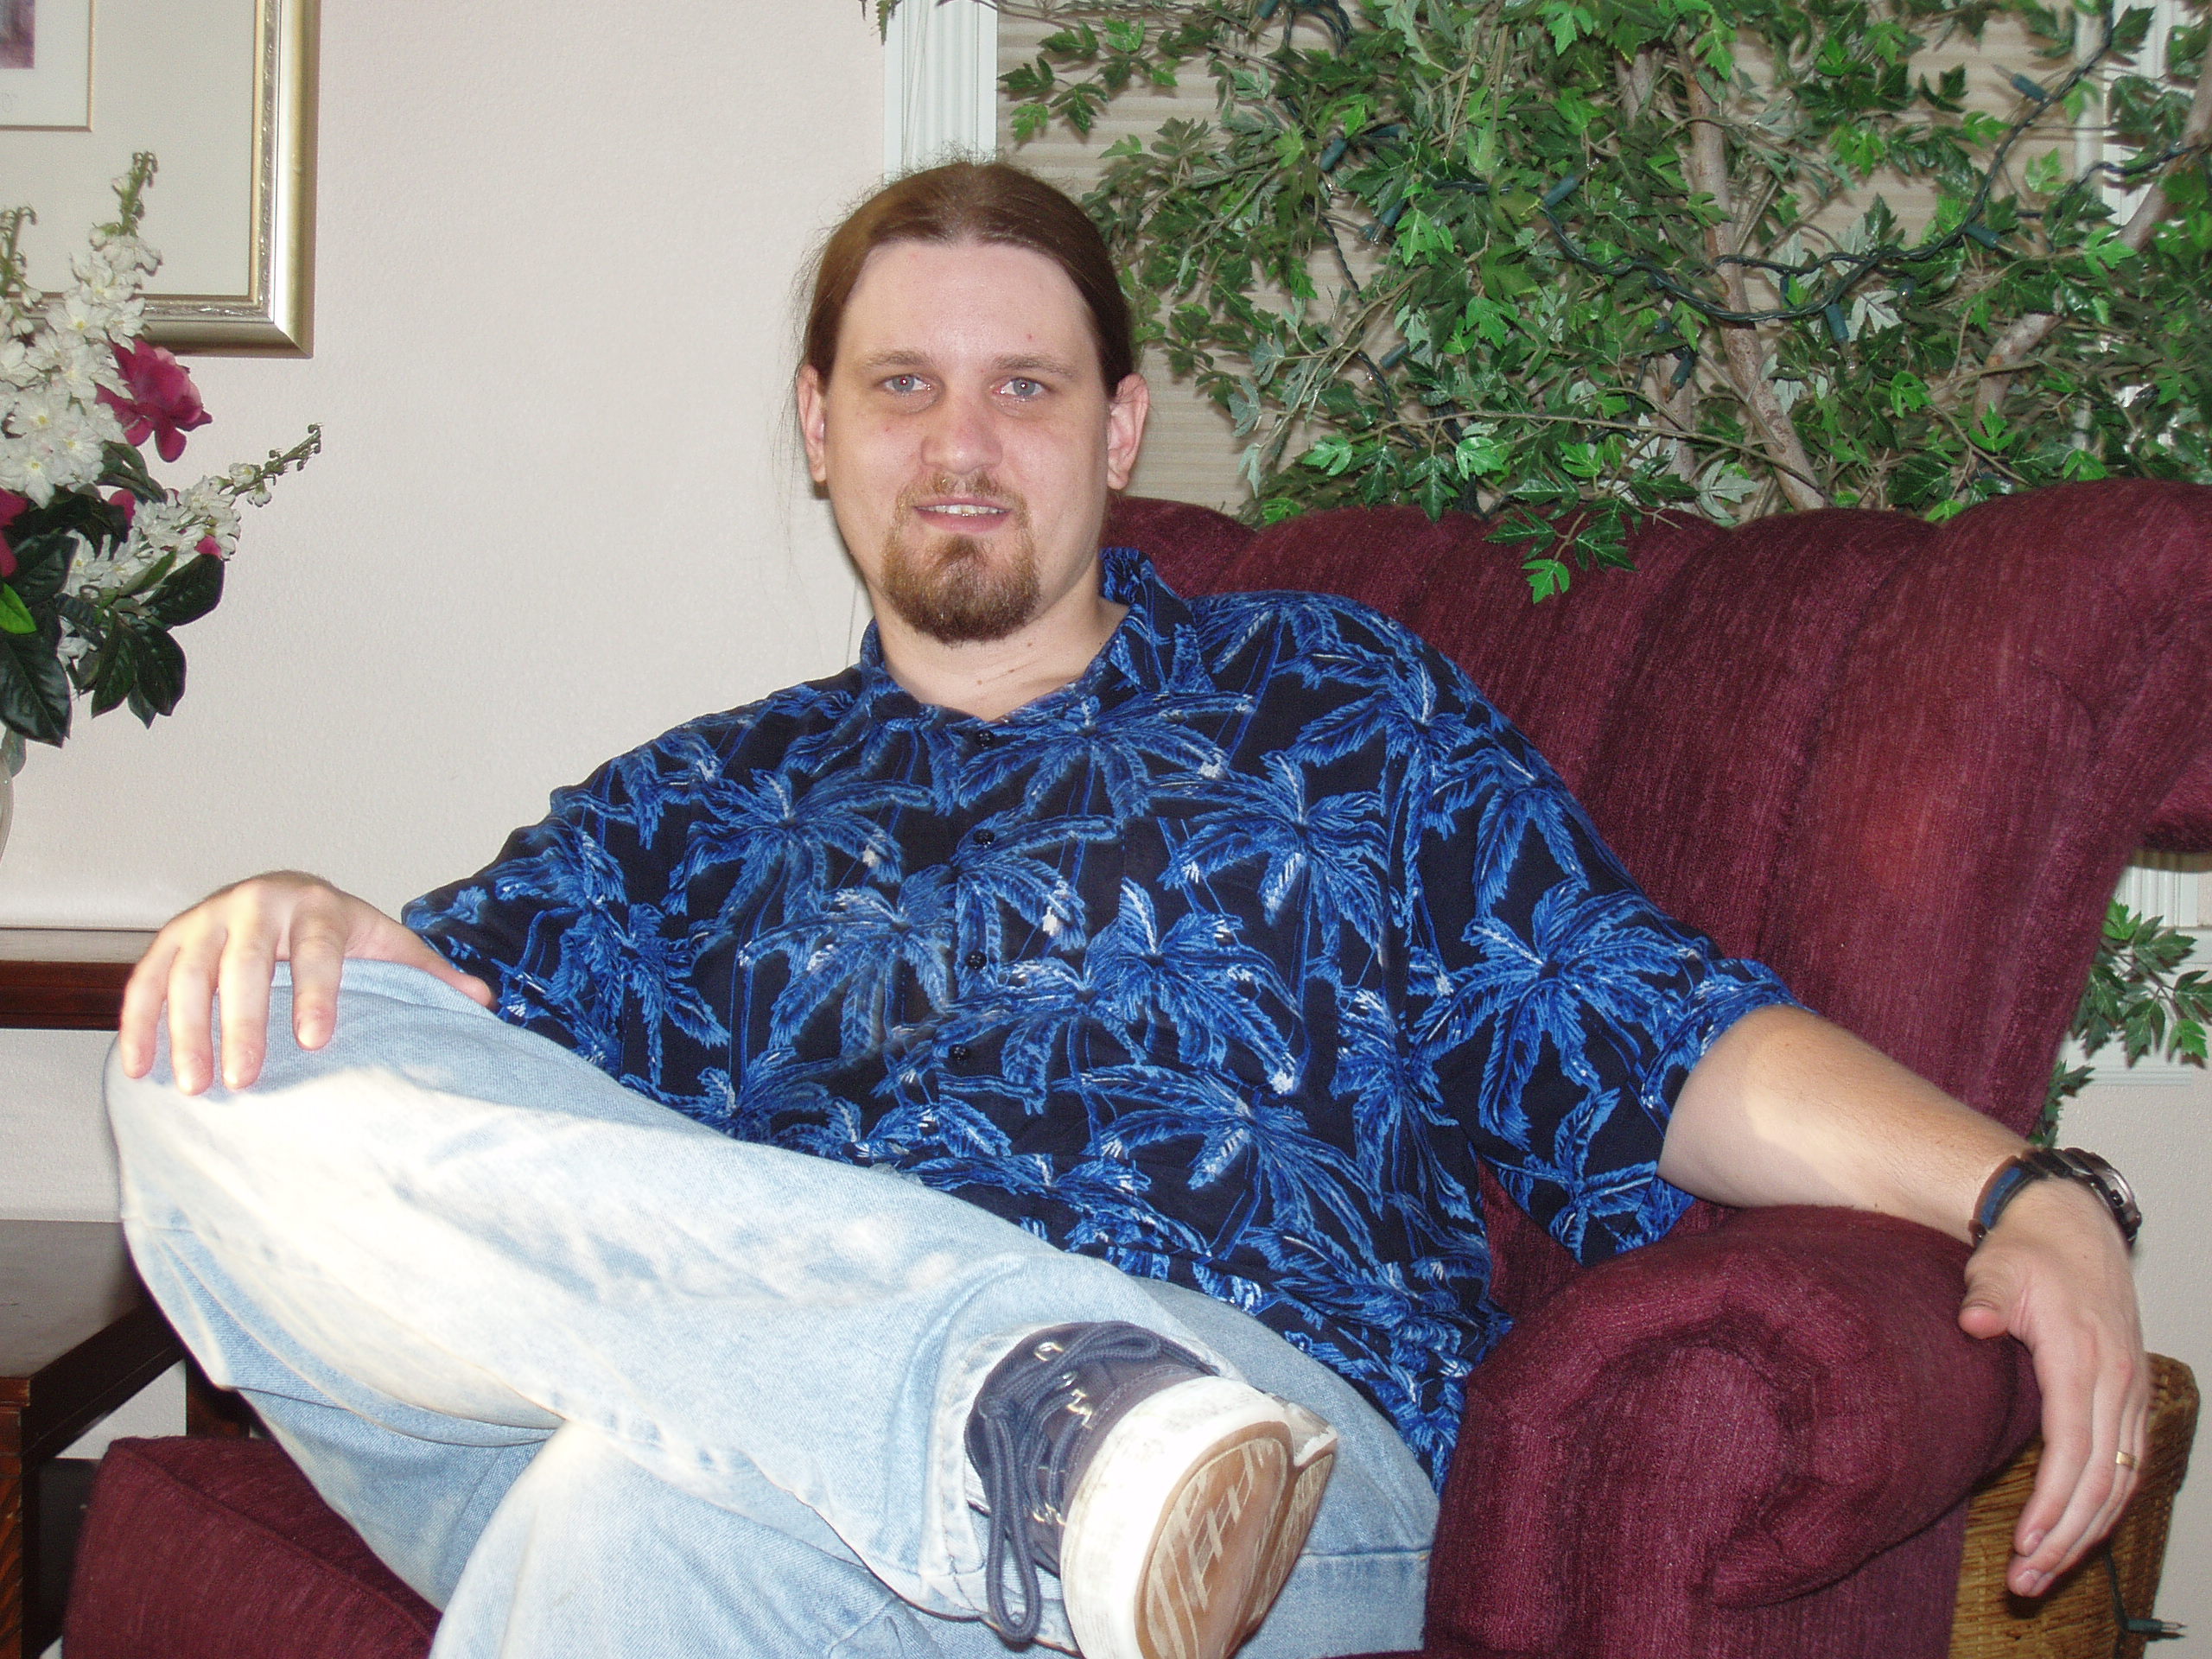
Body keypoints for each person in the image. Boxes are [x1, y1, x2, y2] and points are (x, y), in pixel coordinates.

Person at [111, 162, 2145, 1659]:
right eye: (901, 386)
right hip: (813, 1453)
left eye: (1022, 386)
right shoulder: (694, 813)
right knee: (211, 1056)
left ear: (1117, 422)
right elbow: (418, 1089)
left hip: (1262, 1469)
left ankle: (1068, 1421)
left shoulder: (1324, 705)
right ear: (818, 427)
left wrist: (2016, 1187)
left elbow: (1640, 1027)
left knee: (629, 1515)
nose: (960, 445)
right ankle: (994, 1409)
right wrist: (279, 911)